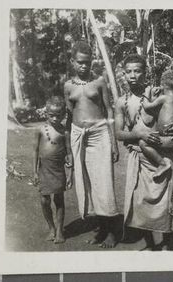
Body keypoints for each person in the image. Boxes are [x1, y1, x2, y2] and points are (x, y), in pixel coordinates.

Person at [115, 54, 173, 250]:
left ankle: (169, 244)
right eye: (128, 72)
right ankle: (151, 245)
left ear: (145, 73)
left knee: (166, 203)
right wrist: (137, 133)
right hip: (140, 156)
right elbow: (119, 133)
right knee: (141, 203)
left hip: (162, 154)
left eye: (137, 71)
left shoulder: (156, 92)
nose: (132, 76)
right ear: (124, 74)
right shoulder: (122, 102)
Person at [64, 41, 119, 248]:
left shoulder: (99, 81)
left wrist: (113, 142)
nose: (84, 66)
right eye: (80, 62)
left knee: (104, 183)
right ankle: (101, 229)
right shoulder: (68, 85)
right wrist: (69, 150)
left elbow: (109, 110)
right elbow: (69, 117)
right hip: (79, 136)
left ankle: (113, 231)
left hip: (99, 134)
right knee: (87, 184)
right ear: (72, 62)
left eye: (87, 62)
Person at [33, 96, 72, 244]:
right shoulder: (40, 130)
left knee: (59, 199)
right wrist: (35, 171)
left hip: (58, 170)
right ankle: (51, 228)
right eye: (51, 115)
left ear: (63, 115)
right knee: (44, 200)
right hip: (44, 170)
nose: (55, 118)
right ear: (46, 114)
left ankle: (60, 230)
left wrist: (70, 174)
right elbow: (35, 151)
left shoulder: (65, 132)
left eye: (59, 115)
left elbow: (69, 153)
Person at [140, 70, 173, 180]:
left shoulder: (164, 98)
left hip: (169, 138)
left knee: (143, 143)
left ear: (163, 84)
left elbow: (147, 107)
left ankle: (162, 163)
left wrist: (146, 94)